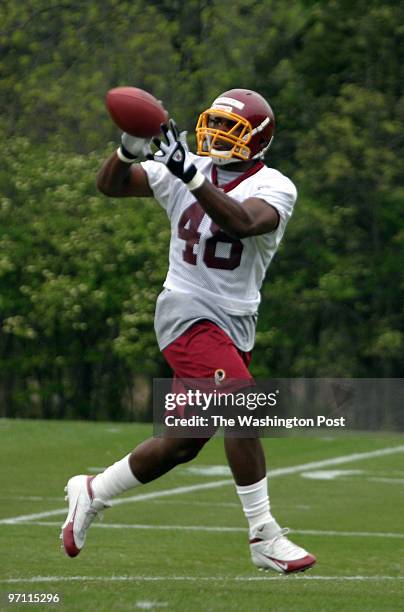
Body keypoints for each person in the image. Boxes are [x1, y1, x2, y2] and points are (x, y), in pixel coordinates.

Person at [61, 88, 316, 574]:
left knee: (182, 442)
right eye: (214, 124)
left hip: (233, 322)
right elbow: (111, 186)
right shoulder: (184, 167)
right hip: (184, 313)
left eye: (230, 129)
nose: (216, 135)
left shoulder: (276, 185)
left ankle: (91, 491)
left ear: (256, 140)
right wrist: (127, 150)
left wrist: (190, 173)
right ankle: (263, 533)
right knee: (243, 403)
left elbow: (241, 222)